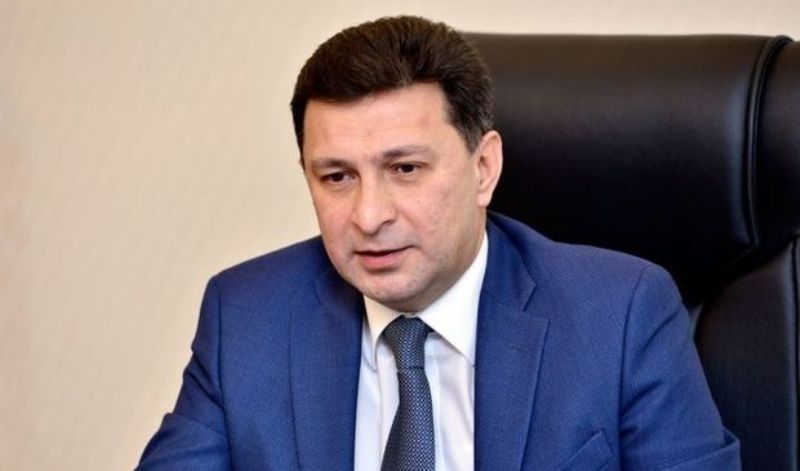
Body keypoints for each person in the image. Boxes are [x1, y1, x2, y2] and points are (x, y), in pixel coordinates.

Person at [138, 15, 740, 470]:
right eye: (337, 177)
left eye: (405, 169)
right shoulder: (247, 317)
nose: (369, 216)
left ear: (483, 168)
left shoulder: (621, 314)